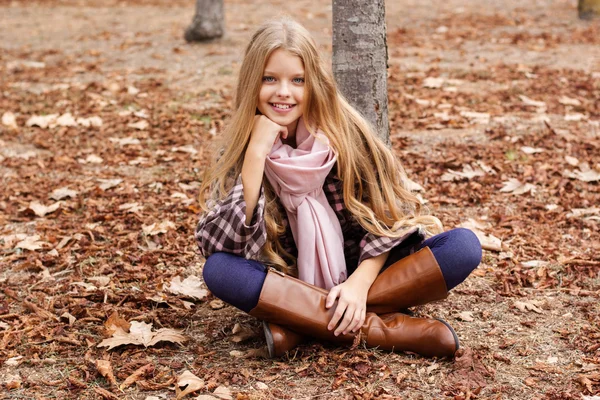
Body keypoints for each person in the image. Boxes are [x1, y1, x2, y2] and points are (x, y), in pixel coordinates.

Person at [195, 18, 482, 359]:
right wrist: (255, 157)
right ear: (251, 83)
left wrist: (359, 287)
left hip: (368, 271)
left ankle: (298, 325)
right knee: (219, 271)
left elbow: (390, 219)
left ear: (313, 83)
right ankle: (396, 332)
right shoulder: (241, 149)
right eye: (269, 78)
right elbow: (218, 245)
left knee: (463, 247)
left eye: (297, 80)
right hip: (288, 282)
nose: (283, 92)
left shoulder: (344, 134)